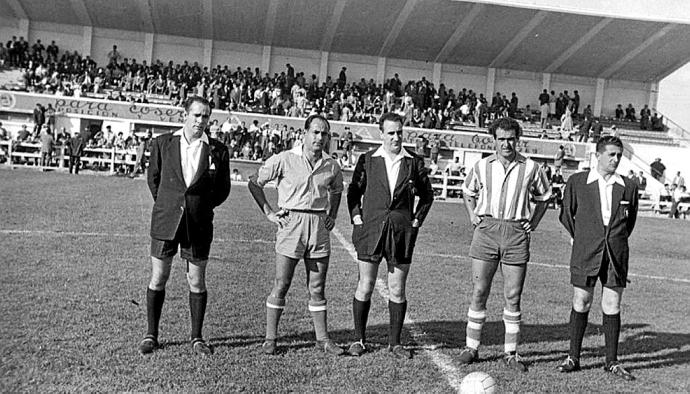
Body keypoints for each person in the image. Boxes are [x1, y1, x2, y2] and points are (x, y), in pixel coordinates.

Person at [138, 96, 231, 356]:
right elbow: (154, 180)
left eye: (205, 117)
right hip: (166, 220)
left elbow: (222, 190)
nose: (201, 121)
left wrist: (198, 207)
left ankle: (197, 337)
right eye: (197, 115)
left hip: (198, 224)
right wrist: (171, 204)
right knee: (159, 276)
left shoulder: (218, 150)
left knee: (196, 280)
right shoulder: (162, 143)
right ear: (185, 115)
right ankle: (151, 334)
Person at [459, 117, 551, 372]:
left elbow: (544, 197)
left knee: (513, 295)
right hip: (487, 230)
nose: (506, 144)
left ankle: (510, 352)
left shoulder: (531, 167)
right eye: (501, 139)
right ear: (494, 140)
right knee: (479, 290)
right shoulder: (482, 165)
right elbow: (468, 191)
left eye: (511, 139)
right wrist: (472, 215)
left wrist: (533, 222)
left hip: (515, 232)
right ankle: (471, 347)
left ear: (517, 139)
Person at [248, 114, 344, 356]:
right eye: (315, 132)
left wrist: (332, 213)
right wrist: (269, 211)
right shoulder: (285, 159)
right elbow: (254, 182)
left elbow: (337, 189)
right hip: (292, 224)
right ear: (305, 133)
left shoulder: (331, 165)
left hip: (318, 226)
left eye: (324, 134)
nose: (320, 138)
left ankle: (322, 339)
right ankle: (271, 338)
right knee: (282, 283)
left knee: (318, 286)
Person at [346, 112, 434, 359]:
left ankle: (395, 343)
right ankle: (359, 340)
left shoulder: (413, 162)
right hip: (371, 230)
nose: (396, 137)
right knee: (366, 284)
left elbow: (427, 196)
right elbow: (354, 191)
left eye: (399, 132)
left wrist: (415, 221)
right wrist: (357, 218)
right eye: (391, 133)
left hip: (401, 234)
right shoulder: (368, 160)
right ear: (381, 133)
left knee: (397, 288)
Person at [558, 136, 638, 381]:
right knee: (581, 301)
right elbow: (566, 216)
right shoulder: (578, 182)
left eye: (619, 155)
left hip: (616, 253)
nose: (616, 159)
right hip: (586, 251)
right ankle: (573, 357)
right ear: (599, 155)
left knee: (612, 305)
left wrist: (613, 239)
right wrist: (585, 238)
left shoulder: (629, 186)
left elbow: (629, 221)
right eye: (611, 154)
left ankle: (611, 362)